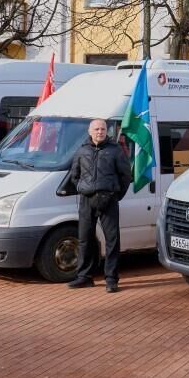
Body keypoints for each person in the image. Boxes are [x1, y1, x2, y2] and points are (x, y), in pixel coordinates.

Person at [59, 119, 130, 293]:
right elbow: (75, 175)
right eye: (97, 129)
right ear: (90, 131)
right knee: (85, 240)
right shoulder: (82, 151)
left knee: (112, 241)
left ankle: (111, 280)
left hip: (109, 200)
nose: (100, 132)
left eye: (103, 129)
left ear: (107, 131)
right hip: (86, 201)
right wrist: (82, 188)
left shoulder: (115, 150)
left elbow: (125, 175)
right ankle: (84, 277)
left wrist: (116, 195)